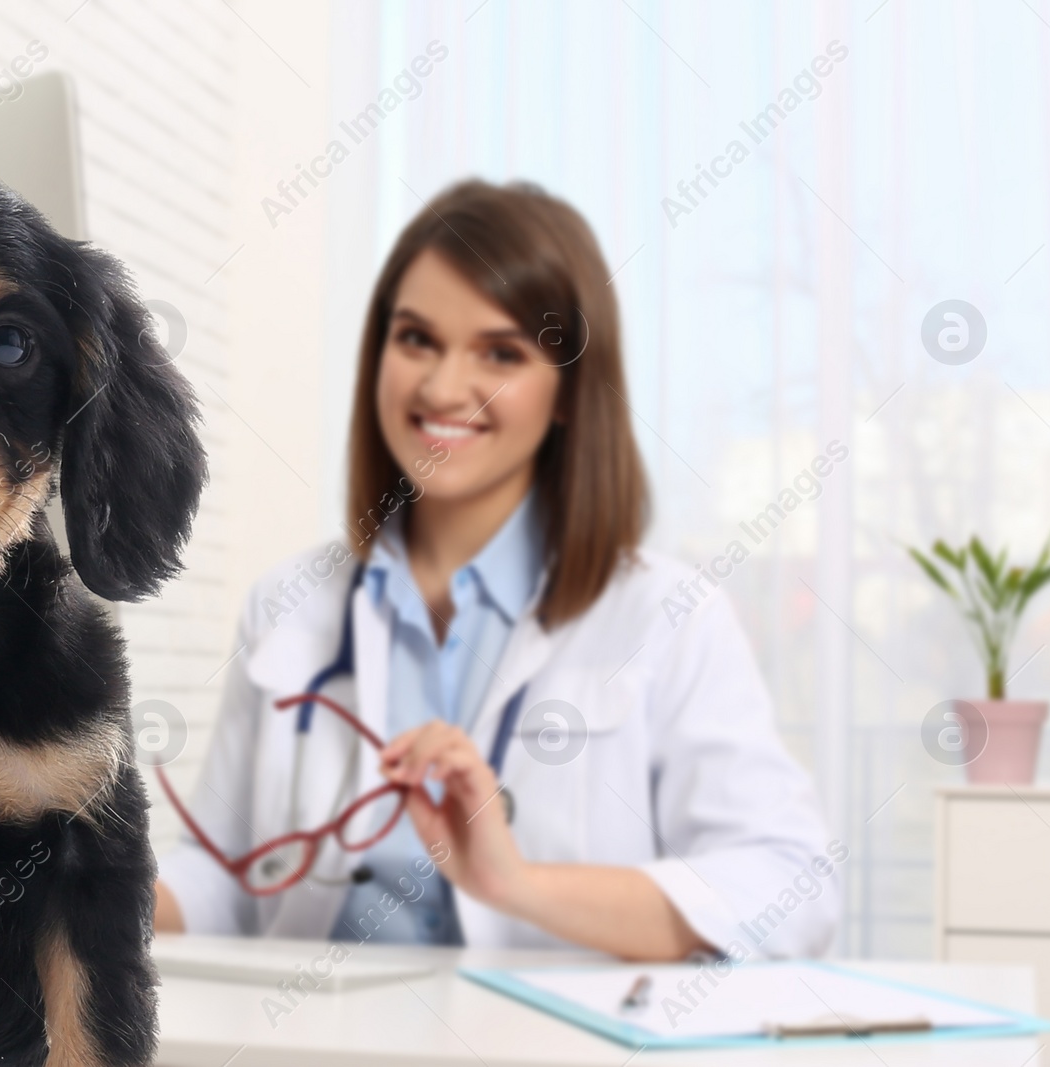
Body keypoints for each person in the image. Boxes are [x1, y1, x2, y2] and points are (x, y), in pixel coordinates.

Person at [151, 179, 837, 961]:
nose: (443, 387)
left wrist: (514, 882)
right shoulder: (289, 604)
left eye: (501, 352)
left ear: (571, 392)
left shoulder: (669, 615)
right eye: (416, 339)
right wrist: (90, 903)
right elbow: (227, 875)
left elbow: (793, 883)